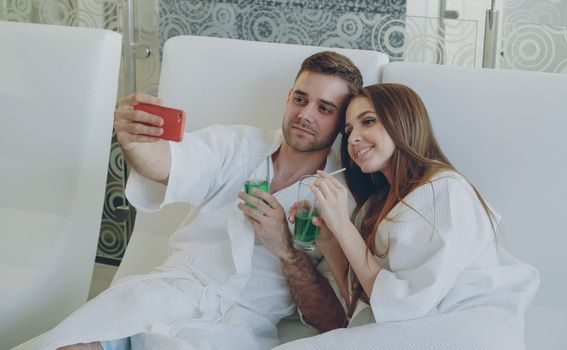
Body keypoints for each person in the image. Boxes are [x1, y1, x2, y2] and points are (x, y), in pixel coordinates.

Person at [13, 51, 363, 350]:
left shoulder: (339, 200)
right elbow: (170, 164)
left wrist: (286, 250)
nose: (305, 115)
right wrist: (135, 145)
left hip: (232, 327)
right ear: (288, 97)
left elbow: (331, 319)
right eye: (300, 99)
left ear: (342, 122)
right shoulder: (237, 146)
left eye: (324, 108)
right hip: (166, 292)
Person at [275, 83, 540, 350]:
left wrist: (343, 225)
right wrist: (331, 240)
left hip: (463, 327)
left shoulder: (444, 189)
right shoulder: (374, 207)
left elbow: (404, 307)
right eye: (348, 131)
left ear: (401, 121)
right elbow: (365, 308)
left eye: (368, 121)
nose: (353, 138)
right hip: (412, 327)